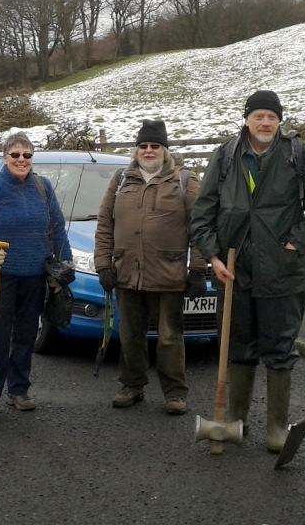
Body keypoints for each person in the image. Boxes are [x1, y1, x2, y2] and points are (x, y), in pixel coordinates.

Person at [190, 90, 305, 452]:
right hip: (234, 271)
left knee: (280, 348)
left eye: (272, 116)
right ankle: (235, 422)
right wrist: (213, 256)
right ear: (247, 120)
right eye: (259, 116)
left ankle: (276, 428)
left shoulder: (298, 155)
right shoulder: (225, 156)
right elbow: (203, 212)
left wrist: (294, 244)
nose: (265, 123)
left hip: (284, 271)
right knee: (239, 346)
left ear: (279, 121)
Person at [94, 119, 206, 415]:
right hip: (128, 274)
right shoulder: (121, 180)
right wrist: (103, 263)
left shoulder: (184, 180)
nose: (148, 150)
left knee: (170, 338)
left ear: (164, 150)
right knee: (130, 335)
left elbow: (200, 228)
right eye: (143, 146)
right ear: (136, 150)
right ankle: (132, 385)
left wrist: (197, 269)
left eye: (154, 145)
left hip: (168, 275)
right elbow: (105, 223)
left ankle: (174, 393)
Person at [0, 132, 72, 420]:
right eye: (15, 155)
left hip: (35, 275)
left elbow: (57, 225)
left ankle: (19, 390)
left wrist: (64, 262)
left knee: (26, 335)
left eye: (27, 155)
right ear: (5, 158)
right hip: (1, 277)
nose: (21, 160)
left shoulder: (43, 187)